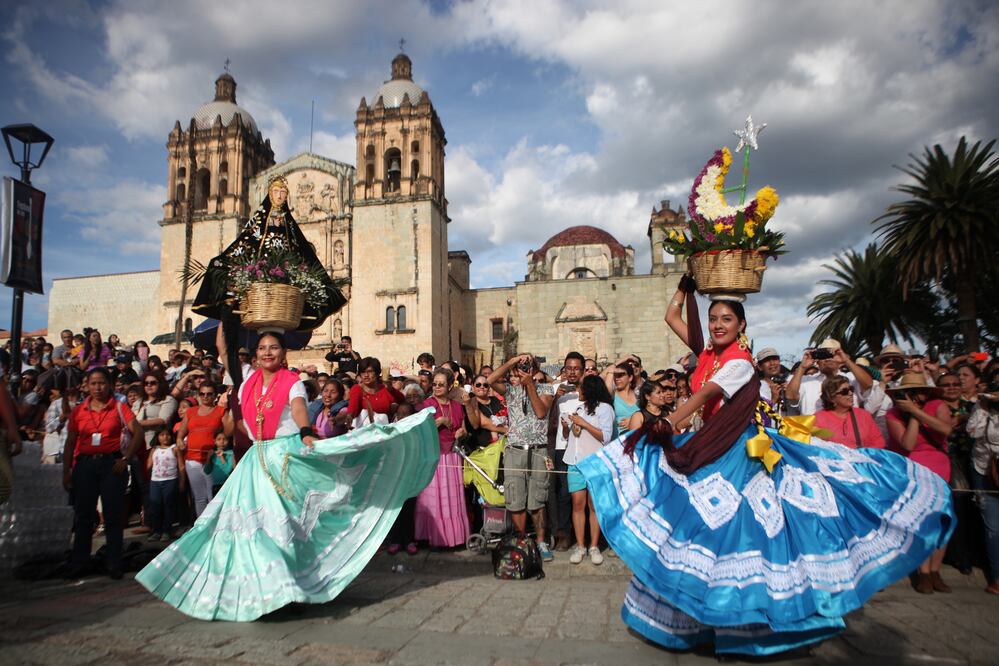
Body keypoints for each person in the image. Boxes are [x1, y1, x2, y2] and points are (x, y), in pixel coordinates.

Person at [577, 276, 954, 656]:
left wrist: (670, 423)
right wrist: (685, 288)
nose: (718, 324)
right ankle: (705, 619)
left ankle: (754, 624)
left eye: (727, 319)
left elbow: (708, 393)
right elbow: (671, 316)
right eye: (713, 319)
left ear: (742, 325)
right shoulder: (709, 355)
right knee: (702, 531)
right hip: (712, 443)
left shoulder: (739, 362)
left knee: (738, 533)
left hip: (739, 451)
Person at [135, 330, 440, 622]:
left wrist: (306, 431)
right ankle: (264, 590)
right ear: (255, 355)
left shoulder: (292, 381)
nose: (268, 352)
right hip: (256, 461)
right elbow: (224, 353)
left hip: (285, 457)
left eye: (274, 348)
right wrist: (225, 315)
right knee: (248, 525)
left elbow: (297, 409)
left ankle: (289, 590)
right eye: (263, 348)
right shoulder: (247, 383)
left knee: (283, 526)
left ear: (283, 354)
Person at [191, 175, 347, 337]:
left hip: (284, 285)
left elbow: (302, 251)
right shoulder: (258, 223)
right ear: (269, 194)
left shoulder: (290, 227)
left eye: (283, 192)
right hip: (260, 283)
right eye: (276, 191)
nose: (279, 195)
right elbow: (244, 243)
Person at [62, 367, 143, 579]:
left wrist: (125, 459)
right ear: (86, 385)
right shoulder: (79, 411)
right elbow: (71, 442)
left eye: (102, 383)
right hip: (85, 465)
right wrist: (67, 472)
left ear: (110, 385)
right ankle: (80, 561)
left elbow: (138, 433)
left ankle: (114, 563)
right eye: (93, 383)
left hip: (111, 465)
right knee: (83, 516)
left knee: (113, 516)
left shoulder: (119, 407)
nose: (97, 387)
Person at [886, 372, 954, 594]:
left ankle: (936, 571)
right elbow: (908, 443)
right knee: (921, 521)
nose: (917, 396)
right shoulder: (893, 414)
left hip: (940, 469)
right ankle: (923, 572)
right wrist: (913, 416)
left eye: (920, 391)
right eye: (911, 393)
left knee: (941, 520)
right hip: (913, 472)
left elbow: (946, 429)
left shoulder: (938, 406)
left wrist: (916, 411)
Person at [488, 354, 555, 561]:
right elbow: (490, 380)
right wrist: (512, 361)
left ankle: (542, 542)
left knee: (538, 499)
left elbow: (541, 412)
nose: (524, 369)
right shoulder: (510, 391)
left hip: (538, 449)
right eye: (521, 367)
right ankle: (521, 540)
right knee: (515, 498)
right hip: (515, 449)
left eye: (527, 366)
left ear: (535, 369)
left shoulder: (545, 389)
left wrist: (530, 386)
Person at [412, 368, 472, 550]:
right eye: (435, 384)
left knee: (451, 499)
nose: (437, 387)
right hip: (433, 456)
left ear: (449, 386)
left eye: (441, 384)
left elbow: (463, 429)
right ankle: (431, 537)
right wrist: (438, 422)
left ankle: (453, 538)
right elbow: (417, 429)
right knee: (433, 498)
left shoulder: (456, 405)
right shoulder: (426, 404)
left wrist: (462, 432)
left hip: (452, 456)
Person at [562, 374, 614, 565]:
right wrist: (566, 428)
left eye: (582, 387)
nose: (578, 391)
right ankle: (581, 545)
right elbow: (574, 435)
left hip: (594, 462)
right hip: (574, 461)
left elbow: (606, 437)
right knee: (577, 504)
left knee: (594, 505)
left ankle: (593, 546)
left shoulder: (605, 409)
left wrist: (584, 423)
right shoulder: (578, 408)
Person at [966, 371, 999, 594]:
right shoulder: (983, 407)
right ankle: (997, 577)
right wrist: (985, 407)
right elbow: (972, 431)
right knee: (993, 526)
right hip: (984, 470)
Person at [785, 339, 879, 416]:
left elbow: (868, 384)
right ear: (817, 361)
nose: (827, 358)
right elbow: (790, 396)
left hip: (847, 433)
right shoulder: (806, 381)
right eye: (824, 355)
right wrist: (802, 367)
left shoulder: (851, 378)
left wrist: (846, 360)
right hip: (814, 436)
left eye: (831, 354)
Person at [177, 380, 230, 516]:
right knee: (199, 497)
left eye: (209, 394)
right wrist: (179, 440)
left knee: (213, 495)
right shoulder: (191, 412)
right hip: (192, 459)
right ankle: (201, 527)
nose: (205, 397)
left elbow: (228, 432)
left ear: (215, 395)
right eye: (202, 394)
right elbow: (181, 431)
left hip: (213, 459)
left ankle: (215, 527)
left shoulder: (221, 411)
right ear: (198, 395)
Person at [549, 352, 584, 551]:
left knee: (581, 494)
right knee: (562, 493)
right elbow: (544, 416)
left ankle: (584, 535)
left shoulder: (589, 390)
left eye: (576, 368)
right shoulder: (556, 389)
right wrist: (556, 398)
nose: (572, 372)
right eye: (569, 368)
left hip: (584, 448)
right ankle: (563, 533)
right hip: (562, 447)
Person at [813, 376, 885, 450]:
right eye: (845, 391)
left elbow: (878, 442)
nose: (850, 393)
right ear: (831, 398)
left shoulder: (863, 415)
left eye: (851, 389)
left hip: (864, 459)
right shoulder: (818, 420)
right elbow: (816, 448)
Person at [146, 428, 186, 542]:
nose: (165, 437)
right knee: (155, 506)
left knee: (169, 506)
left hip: (170, 480)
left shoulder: (174, 449)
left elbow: (181, 466)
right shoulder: (154, 449)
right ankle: (156, 530)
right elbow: (149, 464)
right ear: (157, 437)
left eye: (167, 435)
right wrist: (148, 478)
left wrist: (182, 482)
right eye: (162, 435)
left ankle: (166, 531)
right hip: (155, 481)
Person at [347, 357, 404, 426]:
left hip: (384, 430)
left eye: (370, 371)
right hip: (366, 431)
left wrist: (391, 389)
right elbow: (353, 407)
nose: (366, 375)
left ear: (377, 373)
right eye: (363, 372)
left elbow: (403, 401)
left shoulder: (385, 389)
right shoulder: (357, 389)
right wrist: (349, 417)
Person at [603, 357, 639, 437]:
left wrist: (634, 420)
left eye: (621, 375)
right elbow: (607, 385)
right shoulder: (612, 395)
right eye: (615, 375)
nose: (617, 378)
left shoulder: (638, 395)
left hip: (638, 440)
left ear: (630, 377)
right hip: (618, 442)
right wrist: (622, 360)